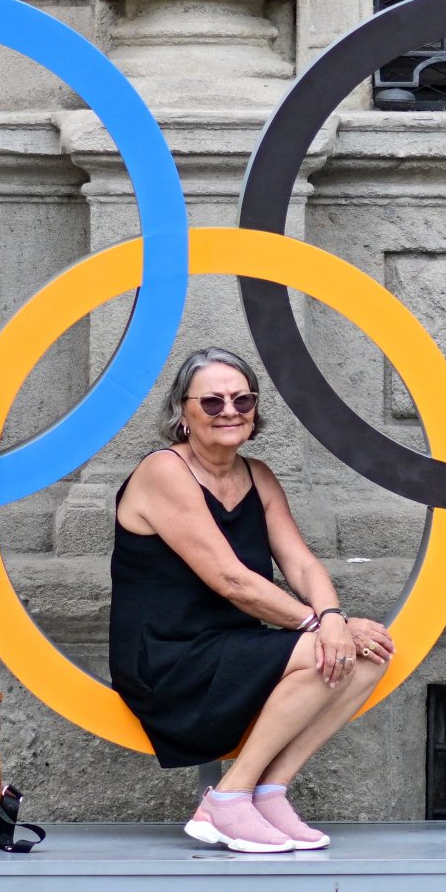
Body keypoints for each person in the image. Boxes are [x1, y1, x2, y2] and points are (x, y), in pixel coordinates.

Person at [109, 346, 395, 853]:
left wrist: (334, 618)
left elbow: (302, 565)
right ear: (182, 412)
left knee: (369, 657)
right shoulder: (163, 471)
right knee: (328, 650)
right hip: (169, 657)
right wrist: (321, 627)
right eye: (212, 402)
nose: (230, 411)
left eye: (242, 400)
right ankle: (227, 798)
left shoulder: (257, 475)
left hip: (234, 644)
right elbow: (231, 581)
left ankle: (268, 791)